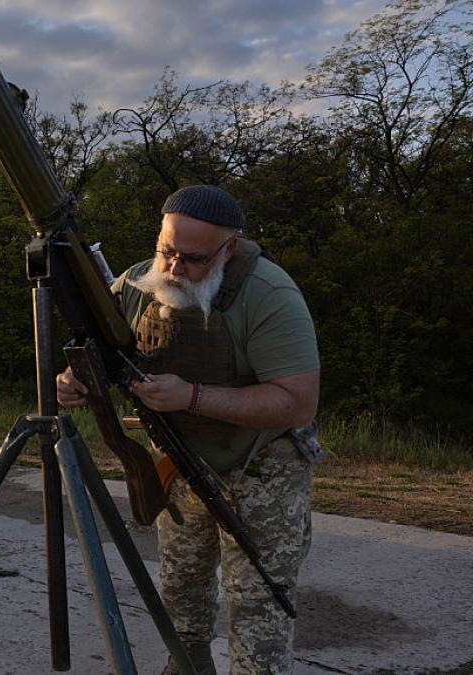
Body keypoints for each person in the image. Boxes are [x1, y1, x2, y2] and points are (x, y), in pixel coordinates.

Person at [56, 185, 321, 675]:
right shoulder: (137, 286)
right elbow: (100, 352)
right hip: (181, 459)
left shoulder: (269, 295)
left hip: (262, 463)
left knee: (257, 601)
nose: (174, 269)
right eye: (166, 251)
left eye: (193, 259)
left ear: (229, 249)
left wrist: (192, 397)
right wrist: (76, 382)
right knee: (180, 591)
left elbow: (298, 402)